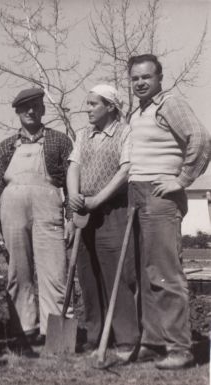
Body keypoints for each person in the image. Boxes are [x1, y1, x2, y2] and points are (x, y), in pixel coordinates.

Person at [127, 54, 210, 369]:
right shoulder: (139, 112)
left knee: (166, 273)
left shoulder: (169, 104)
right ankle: (153, 340)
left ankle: (180, 348)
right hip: (136, 194)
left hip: (159, 196)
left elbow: (201, 139)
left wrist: (182, 180)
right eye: (135, 78)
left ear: (159, 78)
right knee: (146, 274)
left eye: (146, 77)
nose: (140, 83)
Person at [0, 87, 74, 349]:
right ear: (17, 112)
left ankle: (55, 332)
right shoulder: (5, 147)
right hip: (12, 208)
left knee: (54, 270)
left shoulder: (59, 141)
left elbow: (71, 183)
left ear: (43, 109)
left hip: (48, 204)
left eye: (36, 106)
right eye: (25, 108)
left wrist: (70, 217)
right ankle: (23, 329)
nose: (31, 111)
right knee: (18, 271)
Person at [66, 84, 139, 357]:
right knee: (88, 274)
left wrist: (98, 199)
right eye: (87, 104)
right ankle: (95, 335)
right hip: (84, 212)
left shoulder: (125, 131)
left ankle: (126, 340)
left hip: (113, 211)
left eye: (93, 104)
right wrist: (74, 195)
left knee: (116, 274)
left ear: (110, 106)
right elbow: (74, 165)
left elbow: (125, 171)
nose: (87, 109)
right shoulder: (84, 134)